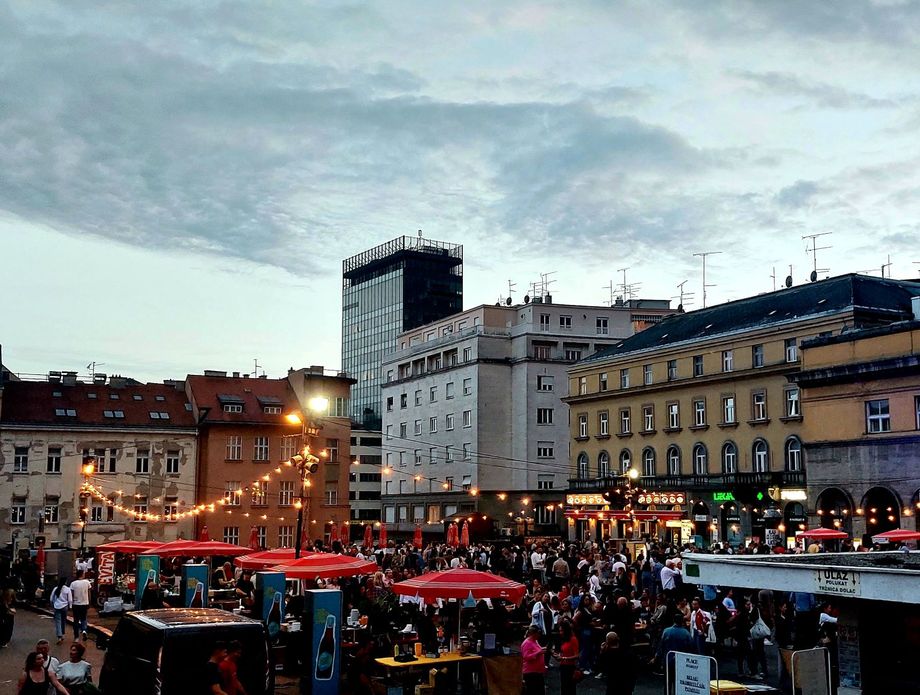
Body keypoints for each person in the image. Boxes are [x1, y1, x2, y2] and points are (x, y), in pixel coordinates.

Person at [553, 621, 580, 695]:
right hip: (563, 666)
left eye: (562, 630)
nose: (560, 632)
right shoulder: (564, 639)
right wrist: (557, 655)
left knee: (570, 688)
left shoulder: (573, 639)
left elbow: (577, 655)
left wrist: (563, 658)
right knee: (564, 687)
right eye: (560, 630)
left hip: (570, 667)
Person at [521, 626, 546, 695]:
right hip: (531, 673)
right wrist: (538, 652)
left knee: (540, 691)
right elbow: (526, 657)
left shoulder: (535, 641)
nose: (539, 635)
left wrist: (542, 649)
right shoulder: (527, 643)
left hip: (537, 672)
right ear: (533, 634)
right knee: (533, 691)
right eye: (538, 633)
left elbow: (538, 650)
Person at [69, 571, 92, 642]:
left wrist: (71, 604)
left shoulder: (73, 584)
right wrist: (89, 602)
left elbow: (71, 595)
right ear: (82, 575)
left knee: (76, 620)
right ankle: (84, 630)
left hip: (76, 604)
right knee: (84, 618)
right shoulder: (87, 582)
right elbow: (89, 593)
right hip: (85, 603)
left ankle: (76, 637)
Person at [50, 577, 73, 644]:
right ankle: (63, 634)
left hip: (57, 606)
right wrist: (70, 607)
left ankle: (59, 636)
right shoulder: (67, 589)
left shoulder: (55, 589)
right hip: (65, 607)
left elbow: (51, 599)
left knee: (58, 621)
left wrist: (52, 605)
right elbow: (70, 600)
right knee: (63, 620)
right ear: (65, 582)